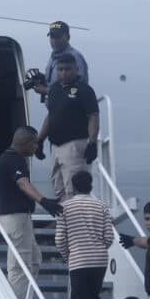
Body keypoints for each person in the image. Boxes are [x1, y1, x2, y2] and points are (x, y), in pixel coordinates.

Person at [0, 126, 64, 299]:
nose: (36, 148)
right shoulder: (14, 160)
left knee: (34, 260)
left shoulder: (8, 158)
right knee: (20, 267)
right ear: (24, 143)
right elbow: (23, 183)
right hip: (15, 218)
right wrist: (44, 201)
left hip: (17, 217)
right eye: (34, 144)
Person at [56, 171, 114, 299]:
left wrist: (68, 256)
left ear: (73, 187)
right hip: (99, 261)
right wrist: (97, 249)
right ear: (91, 186)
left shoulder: (65, 207)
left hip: (79, 261)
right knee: (92, 297)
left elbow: (59, 239)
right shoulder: (101, 206)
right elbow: (109, 237)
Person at [36, 54, 99, 200]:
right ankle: (63, 221)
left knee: (74, 189)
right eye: (60, 69)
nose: (64, 73)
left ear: (76, 69)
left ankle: (76, 220)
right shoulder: (54, 89)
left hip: (74, 144)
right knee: (58, 189)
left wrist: (93, 142)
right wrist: (40, 140)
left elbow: (93, 117)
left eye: (68, 69)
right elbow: (50, 116)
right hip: (55, 146)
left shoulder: (85, 90)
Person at [29, 21, 89, 98]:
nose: (54, 41)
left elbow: (77, 88)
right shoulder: (54, 55)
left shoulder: (75, 57)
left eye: (58, 37)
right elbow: (55, 82)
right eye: (52, 37)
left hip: (71, 108)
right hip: (55, 108)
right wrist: (39, 77)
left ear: (68, 37)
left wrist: (45, 90)